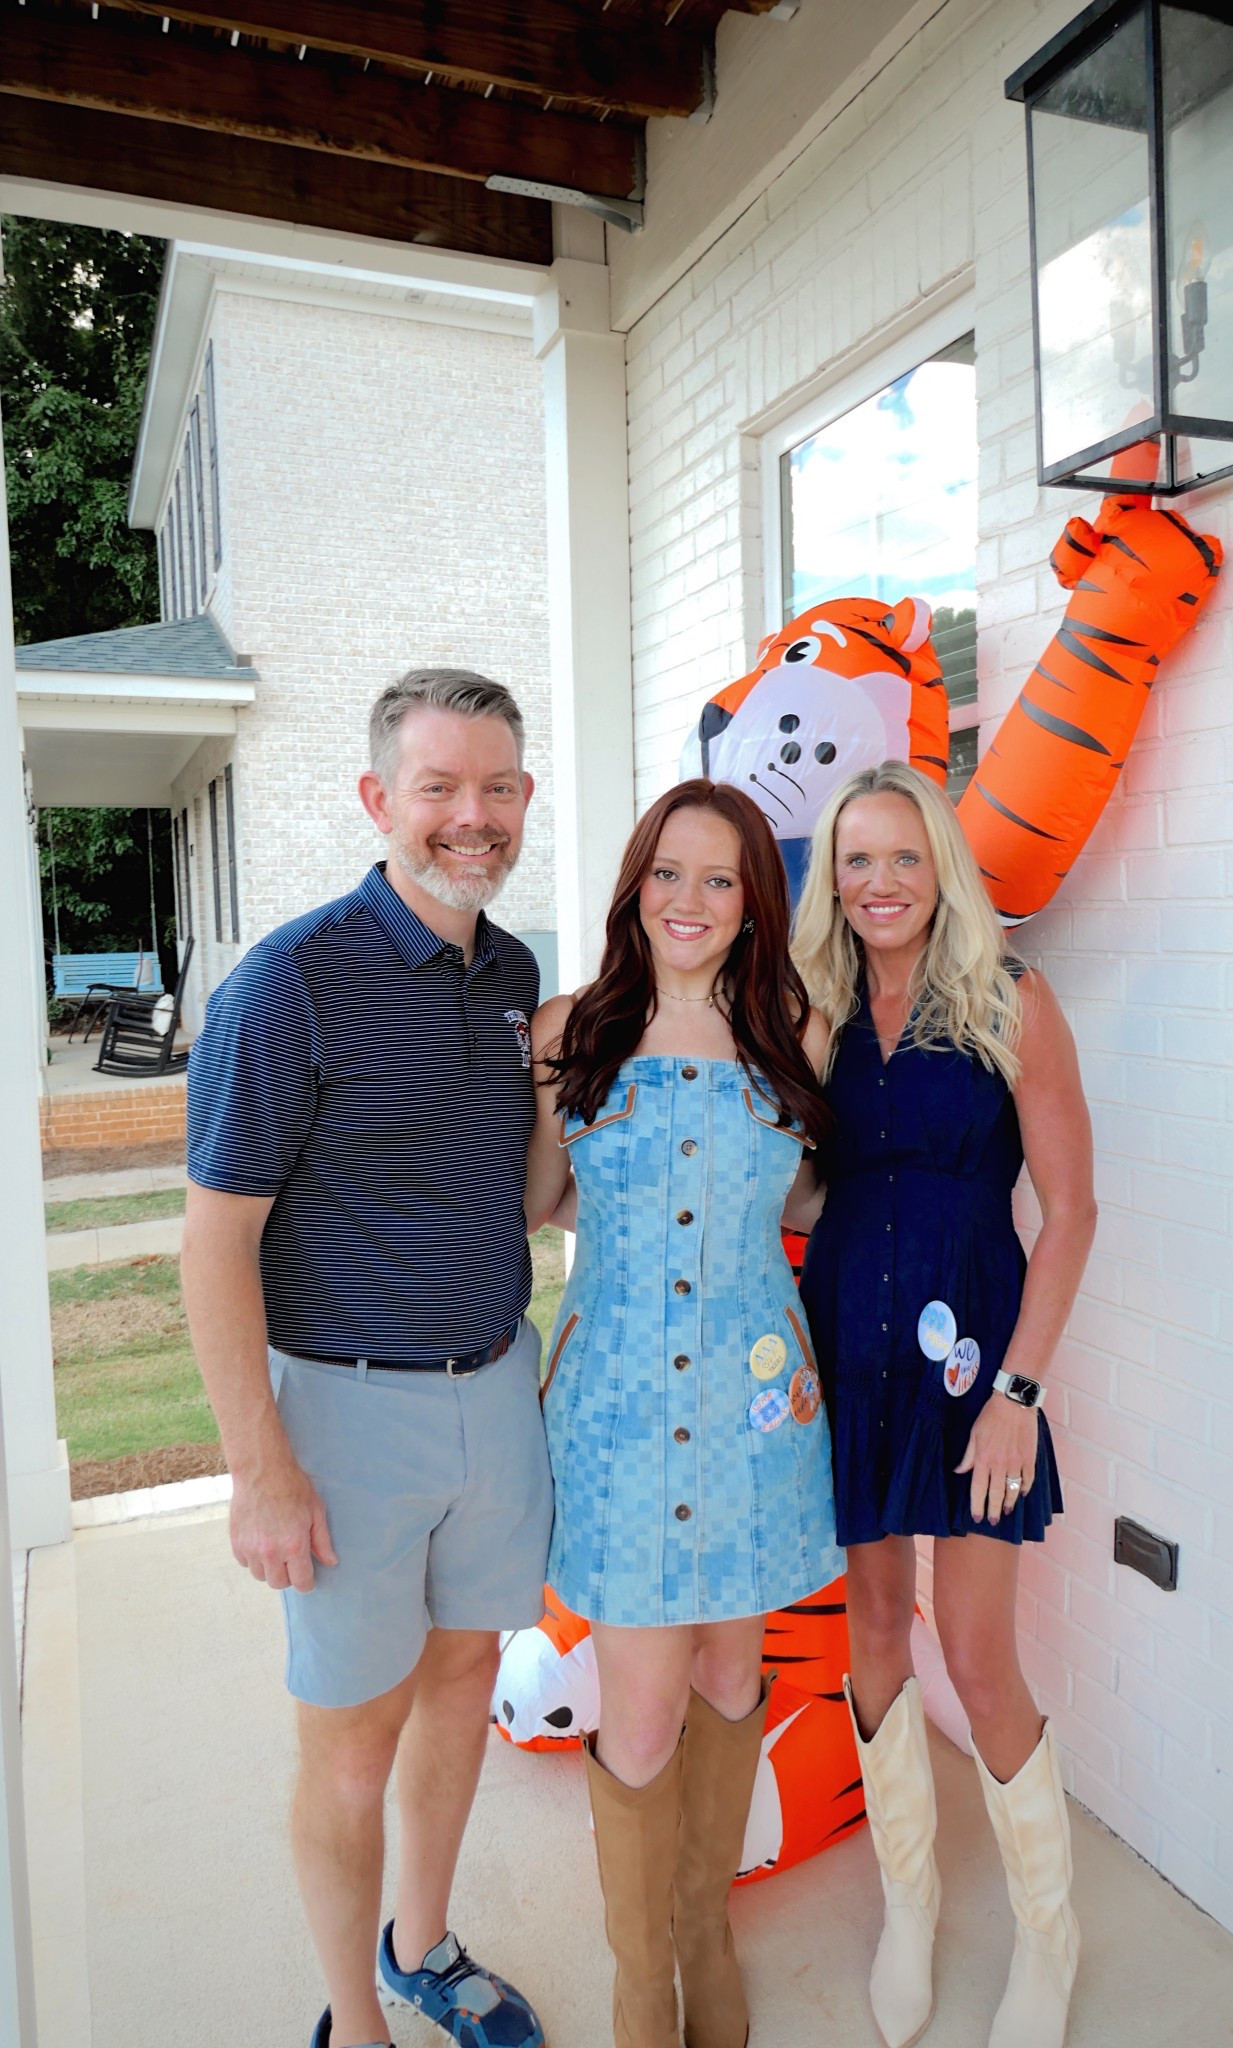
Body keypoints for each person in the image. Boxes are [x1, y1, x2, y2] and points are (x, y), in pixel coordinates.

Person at [181, 670, 553, 2048]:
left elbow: (513, 1200)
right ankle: (356, 2021)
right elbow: (214, 1241)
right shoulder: (293, 982)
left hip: (494, 1393)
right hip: (343, 1416)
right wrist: (257, 1467)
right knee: (351, 1740)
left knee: (463, 1688)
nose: (473, 817)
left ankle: (422, 1945)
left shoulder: (512, 977)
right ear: (377, 799)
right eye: (441, 787)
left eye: (498, 787)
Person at [524, 778, 842, 2048]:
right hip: (616, 1401)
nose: (690, 901)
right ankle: (635, 1980)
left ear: (753, 901)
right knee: (641, 1702)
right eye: (668, 873)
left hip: (755, 1402)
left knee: (726, 1667)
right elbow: (545, 1196)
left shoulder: (795, 1029)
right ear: (633, 884)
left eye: (719, 878)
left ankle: (704, 1935)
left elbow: (809, 1201)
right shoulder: (570, 1023)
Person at [789, 761, 1096, 2048]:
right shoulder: (814, 1008)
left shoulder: (1013, 996)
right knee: (871, 1627)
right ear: (832, 878)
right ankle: (907, 1905)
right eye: (855, 860)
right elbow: (785, 1180)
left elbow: (1071, 1210)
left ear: (943, 868)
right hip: (850, 1344)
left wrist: (1018, 1392)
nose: (879, 883)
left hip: (979, 1361)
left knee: (973, 1650)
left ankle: (1049, 1933)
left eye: (902, 857)